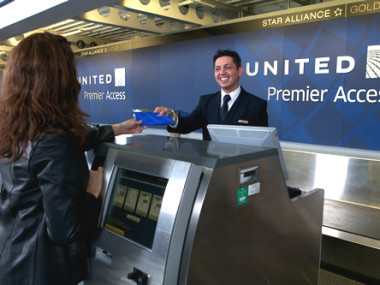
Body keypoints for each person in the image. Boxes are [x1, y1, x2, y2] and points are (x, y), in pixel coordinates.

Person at [0, 32, 145, 285]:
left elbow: (68, 140)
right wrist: (92, 193)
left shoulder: (14, 127)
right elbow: (65, 230)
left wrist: (117, 128)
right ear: (59, 79)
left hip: (12, 258)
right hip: (41, 271)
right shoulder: (55, 140)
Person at [154, 49, 268, 140]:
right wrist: (172, 117)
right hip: (211, 167)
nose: (222, 72)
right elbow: (187, 125)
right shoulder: (206, 102)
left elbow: (263, 145)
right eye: (217, 69)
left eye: (228, 67)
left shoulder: (256, 105)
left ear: (239, 71)